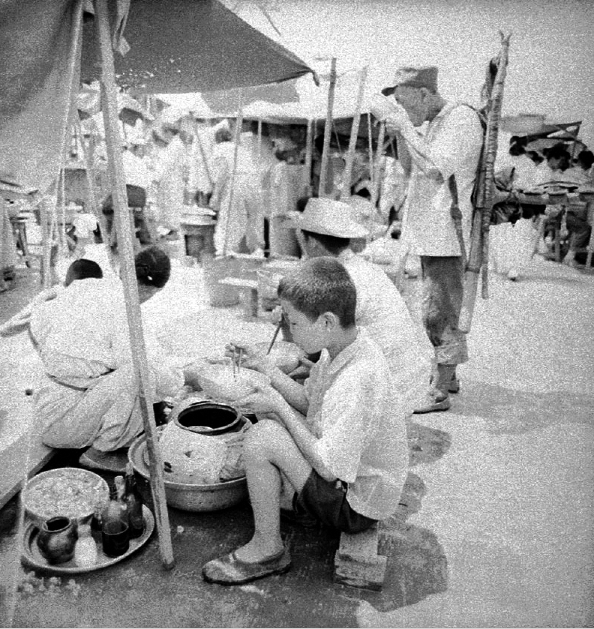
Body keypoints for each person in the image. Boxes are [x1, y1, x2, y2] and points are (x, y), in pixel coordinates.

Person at [201, 257, 409, 585]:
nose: (289, 330)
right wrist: (264, 367)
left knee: (264, 434)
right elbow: (310, 402)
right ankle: (290, 502)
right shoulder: (343, 347)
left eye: (294, 323)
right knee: (269, 412)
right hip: (351, 480)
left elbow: (329, 468)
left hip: (358, 506)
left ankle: (268, 549)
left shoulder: (357, 377)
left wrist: (279, 408)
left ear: (326, 322)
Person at [373, 65, 483, 412]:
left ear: (424, 93)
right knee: (433, 306)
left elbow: (437, 169)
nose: (405, 112)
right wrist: (401, 132)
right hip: (429, 231)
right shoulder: (433, 123)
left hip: (447, 233)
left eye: (406, 103)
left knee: (441, 309)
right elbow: (411, 168)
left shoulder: (461, 119)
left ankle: (438, 390)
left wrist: (405, 126)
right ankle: (446, 376)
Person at [29, 246, 194, 473]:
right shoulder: (125, 306)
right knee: (140, 374)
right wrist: (184, 377)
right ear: (156, 289)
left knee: (125, 369)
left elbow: (37, 327)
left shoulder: (87, 286)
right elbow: (157, 375)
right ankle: (100, 452)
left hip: (44, 406)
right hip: (64, 423)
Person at [295, 197, 433, 415]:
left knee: (278, 411)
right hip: (406, 384)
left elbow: (315, 343)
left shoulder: (338, 279)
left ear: (311, 241)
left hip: (385, 395)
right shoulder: (364, 269)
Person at [210, 123, 265, 256]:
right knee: (254, 217)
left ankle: (224, 251)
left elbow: (223, 170)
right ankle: (257, 250)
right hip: (254, 183)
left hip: (237, 181)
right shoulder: (241, 149)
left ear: (217, 139)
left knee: (230, 217)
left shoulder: (220, 148)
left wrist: (216, 195)